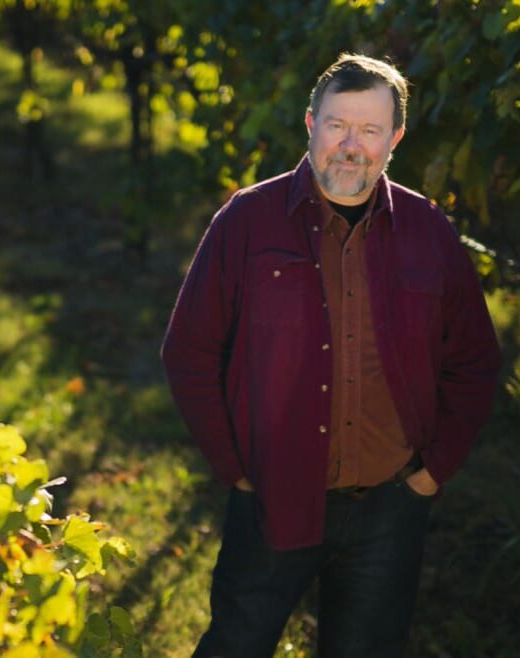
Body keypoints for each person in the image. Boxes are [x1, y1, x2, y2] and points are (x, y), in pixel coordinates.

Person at [161, 53, 502, 658]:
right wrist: (233, 467)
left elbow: (474, 362)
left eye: (370, 130)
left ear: (394, 138)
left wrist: (429, 476)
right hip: (270, 496)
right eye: (338, 125)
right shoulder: (248, 219)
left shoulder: (429, 230)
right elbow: (188, 351)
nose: (352, 145)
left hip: (390, 508)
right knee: (236, 646)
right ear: (309, 123)